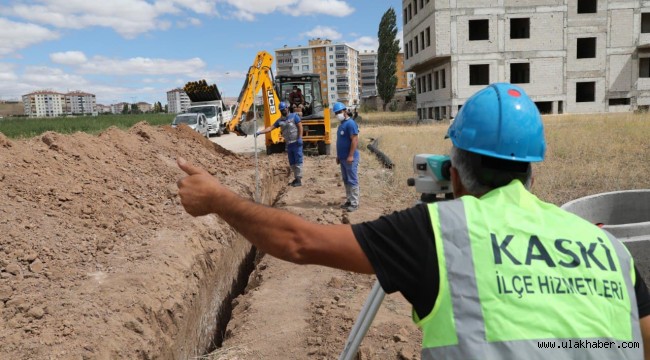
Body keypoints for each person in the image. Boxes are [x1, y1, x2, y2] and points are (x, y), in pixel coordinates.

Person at [177, 83, 650, 359]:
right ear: (531, 168)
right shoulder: (607, 248)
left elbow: (299, 242)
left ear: (456, 166)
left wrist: (219, 198)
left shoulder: (440, 232)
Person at [255, 101, 303, 187]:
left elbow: (300, 126)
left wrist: (300, 138)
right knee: (292, 162)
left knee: (298, 161)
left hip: (296, 143)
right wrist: (260, 132)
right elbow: (270, 128)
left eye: (283, 109)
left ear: (287, 108)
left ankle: (298, 179)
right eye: (281, 110)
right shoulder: (280, 121)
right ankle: (296, 178)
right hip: (289, 144)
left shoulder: (294, 117)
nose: (282, 111)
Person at [333, 102, 360, 212]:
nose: (337, 114)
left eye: (339, 112)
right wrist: (339, 156)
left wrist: (350, 156)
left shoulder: (350, 124)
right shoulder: (341, 125)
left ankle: (354, 203)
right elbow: (341, 142)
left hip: (350, 158)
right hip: (343, 158)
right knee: (346, 180)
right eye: (336, 113)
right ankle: (349, 200)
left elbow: (354, 140)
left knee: (352, 180)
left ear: (345, 111)